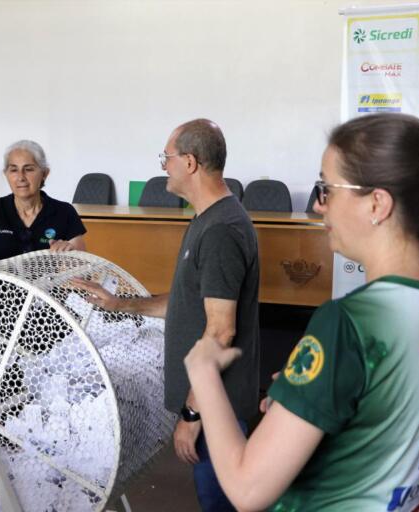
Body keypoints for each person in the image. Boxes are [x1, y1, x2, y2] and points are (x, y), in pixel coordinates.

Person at [184, 113, 419, 511]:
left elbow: (247, 489)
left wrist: (204, 373)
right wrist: (307, 395)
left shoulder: (351, 321)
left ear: (377, 204)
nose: (318, 206)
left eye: (328, 189)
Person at [74, 119, 260, 511]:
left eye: (167, 157)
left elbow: (221, 330)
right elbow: (188, 302)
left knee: (220, 502)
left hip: (217, 409)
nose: (164, 167)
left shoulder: (221, 230)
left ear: (190, 163)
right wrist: (118, 304)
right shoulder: (206, 219)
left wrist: (193, 413)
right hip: (212, 406)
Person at [0, 140, 86, 267]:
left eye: (28, 169)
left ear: (44, 174)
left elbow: (86, 269)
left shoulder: (65, 211)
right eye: (13, 170)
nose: (21, 177)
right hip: (1, 289)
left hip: (48, 289)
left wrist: (70, 255)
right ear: (6, 174)